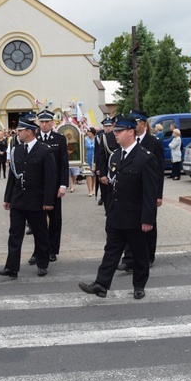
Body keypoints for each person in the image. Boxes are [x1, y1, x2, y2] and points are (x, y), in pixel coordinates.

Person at [78, 115, 158, 300]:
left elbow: (149, 192)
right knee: (111, 252)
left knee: (139, 254)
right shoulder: (115, 155)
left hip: (136, 217)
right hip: (116, 215)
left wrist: (148, 219)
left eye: (119, 131)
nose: (115, 134)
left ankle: (139, 285)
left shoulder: (145, 158)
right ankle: (101, 284)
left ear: (130, 132)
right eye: (115, 131)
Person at [0, 113, 57, 279]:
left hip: (37, 200)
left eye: (20, 130)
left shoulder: (44, 151)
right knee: (15, 233)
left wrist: (48, 201)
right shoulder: (16, 151)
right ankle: (11, 267)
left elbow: (51, 178)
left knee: (40, 232)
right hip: (18, 199)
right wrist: (7, 198)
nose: (17, 133)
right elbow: (12, 177)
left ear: (29, 131)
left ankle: (42, 264)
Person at [120, 109, 163, 269]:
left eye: (136, 121)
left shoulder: (154, 143)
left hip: (149, 191)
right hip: (132, 193)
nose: (133, 124)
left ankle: (148, 256)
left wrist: (158, 195)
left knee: (149, 224)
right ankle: (129, 258)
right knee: (130, 225)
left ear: (143, 123)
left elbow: (159, 172)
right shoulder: (129, 142)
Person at [34, 109, 68, 264]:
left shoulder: (59, 139)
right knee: (37, 220)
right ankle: (38, 251)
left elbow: (63, 164)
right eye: (42, 122)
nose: (44, 124)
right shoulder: (34, 138)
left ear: (52, 123)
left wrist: (63, 185)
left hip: (53, 186)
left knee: (54, 219)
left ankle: (53, 249)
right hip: (37, 186)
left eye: (47, 122)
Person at [94, 117, 117, 211]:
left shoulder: (117, 136)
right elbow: (99, 154)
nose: (107, 128)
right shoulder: (100, 136)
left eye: (109, 126)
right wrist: (98, 168)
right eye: (105, 126)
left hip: (115, 166)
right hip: (105, 167)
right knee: (105, 189)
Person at [84, 127, 97, 197]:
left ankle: (92, 188)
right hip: (87, 157)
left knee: (93, 175)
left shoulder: (96, 139)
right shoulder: (85, 139)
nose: (88, 133)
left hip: (94, 157)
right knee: (88, 174)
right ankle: (90, 190)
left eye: (89, 132)